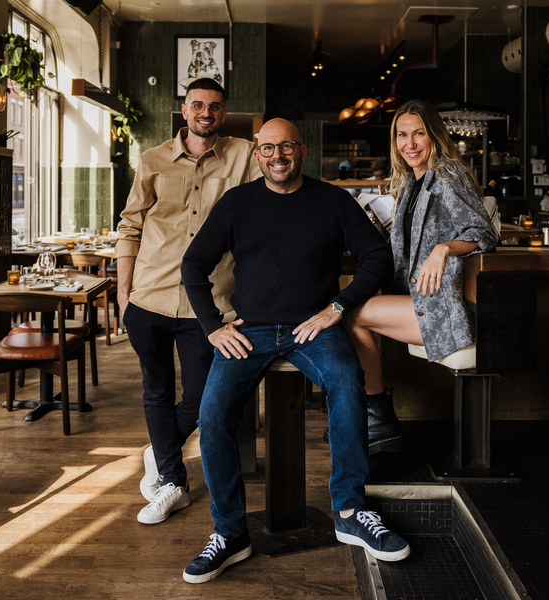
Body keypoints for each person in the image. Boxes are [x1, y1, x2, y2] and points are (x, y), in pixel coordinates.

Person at [180, 118, 409, 584]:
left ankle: (349, 511)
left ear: (302, 151)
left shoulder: (332, 200)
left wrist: (337, 308)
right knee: (212, 415)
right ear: (257, 154)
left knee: (347, 385)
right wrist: (211, 328)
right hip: (250, 331)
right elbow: (194, 264)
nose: (277, 156)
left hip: (315, 328)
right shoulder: (238, 204)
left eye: (286, 147)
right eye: (268, 149)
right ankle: (230, 533)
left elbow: (377, 257)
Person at [116, 77, 261, 525]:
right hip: (151, 296)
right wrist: (123, 295)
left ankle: (159, 453)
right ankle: (174, 483)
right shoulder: (152, 160)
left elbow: (270, 197)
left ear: (223, 113)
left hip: (211, 305)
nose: (206, 113)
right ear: (184, 109)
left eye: (215, 107)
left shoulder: (243, 156)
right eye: (198, 105)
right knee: (156, 391)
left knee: (202, 398)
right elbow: (130, 226)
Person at [341, 100, 497, 449]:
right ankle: (374, 417)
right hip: (421, 300)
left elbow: (483, 234)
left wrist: (443, 249)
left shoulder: (447, 174)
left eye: (418, 134)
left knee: (351, 313)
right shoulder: (411, 183)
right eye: (402, 135)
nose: (409, 143)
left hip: (446, 308)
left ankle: (378, 420)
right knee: (351, 309)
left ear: (435, 136)